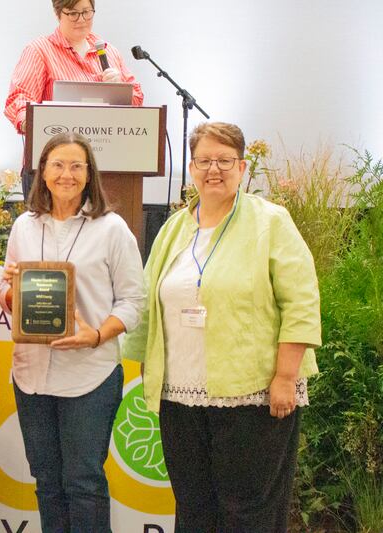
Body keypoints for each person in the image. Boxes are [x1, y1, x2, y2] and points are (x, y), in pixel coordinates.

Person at [123, 122, 321, 532]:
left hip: (254, 394)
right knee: (193, 507)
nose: (214, 169)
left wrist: (286, 376)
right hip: (182, 395)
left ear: (243, 166)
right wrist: (146, 367)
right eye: (204, 160)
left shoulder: (271, 222)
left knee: (247, 509)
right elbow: (149, 299)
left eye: (225, 160)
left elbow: (300, 302)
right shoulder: (174, 228)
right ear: (191, 168)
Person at [0, 132, 145, 532]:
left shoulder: (112, 229)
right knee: (47, 482)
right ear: (42, 173)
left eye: (76, 166)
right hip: (31, 375)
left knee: (83, 482)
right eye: (58, 165)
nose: (67, 174)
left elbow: (133, 302)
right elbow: (6, 295)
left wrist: (96, 335)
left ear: (89, 174)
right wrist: (10, 291)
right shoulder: (24, 227)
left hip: (89, 374)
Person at [4, 0, 144, 195]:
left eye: (87, 12)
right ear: (58, 13)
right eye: (73, 13)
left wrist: (121, 87)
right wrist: (30, 122)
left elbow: (137, 98)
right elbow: (19, 98)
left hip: (104, 168)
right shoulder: (39, 50)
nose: (81, 20)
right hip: (51, 169)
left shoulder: (108, 52)